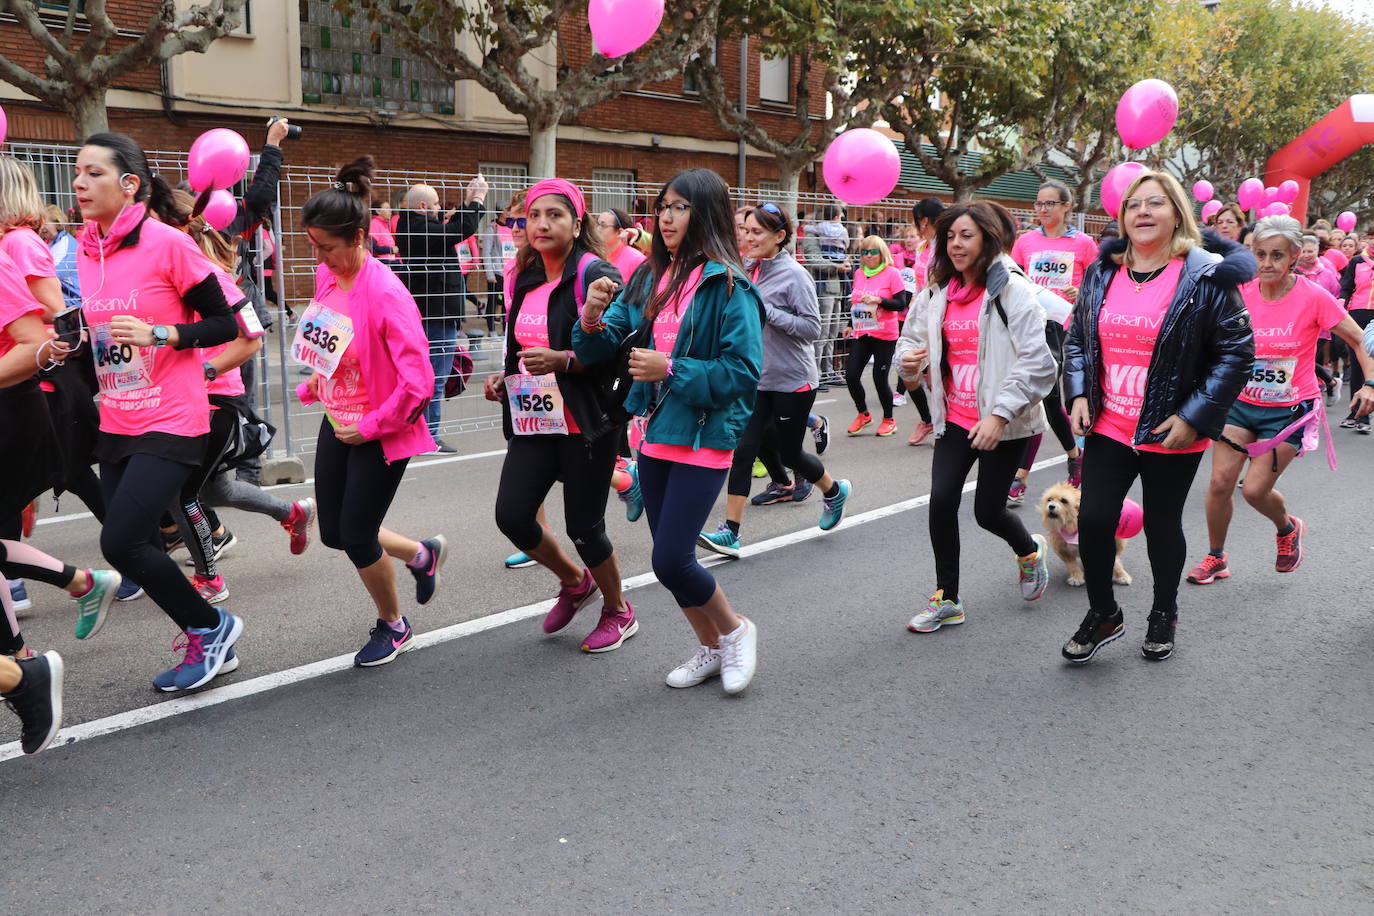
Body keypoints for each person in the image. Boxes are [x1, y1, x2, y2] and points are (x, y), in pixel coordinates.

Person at [574, 168, 764, 695]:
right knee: (669, 563)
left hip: (704, 437)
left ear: (704, 214)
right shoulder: (651, 278)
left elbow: (744, 373)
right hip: (652, 433)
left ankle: (735, 630)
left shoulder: (729, 285)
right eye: (663, 206)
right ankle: (710, 646)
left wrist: (673, 370)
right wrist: (590, 316)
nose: (666, 216)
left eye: (680, 207)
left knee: (671, 558)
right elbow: (603, 343)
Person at [74, 132, 246, 691]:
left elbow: (227, 325)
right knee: (139, 544)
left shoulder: (168, 243)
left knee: (118, 542)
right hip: (118, 416)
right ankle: (209, 636)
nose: (79, 183)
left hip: (173, 416)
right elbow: (102, 332)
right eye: (78, 172)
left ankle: (211, 626)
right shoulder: (85, 248)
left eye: (94, 173)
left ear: (130, 185)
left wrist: (161, 333)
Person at [1061, 170, 1255, 664]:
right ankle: (1104, 612)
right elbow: (1079, 338)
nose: (1142, 212)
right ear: (1122, 217)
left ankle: (1163, 611)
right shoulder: (1103, 271)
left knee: (1162, 524)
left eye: (1156, 203)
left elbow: (1235, 353)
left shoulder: (1205, 276)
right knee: (1096, 518)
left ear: (1177, 215)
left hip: (1171, 428)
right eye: (1133, 205)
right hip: (1108, 421)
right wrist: (1078, 393)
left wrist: (1194, 416)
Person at [294, 157, 447, 668]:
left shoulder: (386, 293)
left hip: (381, 428)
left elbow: (419, 383)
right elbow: (331, 335)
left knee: (357, 535)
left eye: (328, 247)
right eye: (313, 246)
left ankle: (394, 625)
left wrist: (371, 426)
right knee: (335, 532)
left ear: (359, 237)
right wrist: (318, 378)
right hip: (338, 420)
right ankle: (420, 555)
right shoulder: (326, 275)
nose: (319, 257)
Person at [482, 179, 636, 652]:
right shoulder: (525, 274)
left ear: (577, 223)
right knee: (512, 516)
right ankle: (574, 581)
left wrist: (565, 359)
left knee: (584, 528)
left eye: (555, 214)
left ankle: (619, 610)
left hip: (585, 421)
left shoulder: (598, 274)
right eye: (534, 216)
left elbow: (617, 348)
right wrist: (503, 377)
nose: (542, 224)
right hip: (535, 417)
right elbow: (522, 342)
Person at [896, 201, 1057, 634]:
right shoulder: (935, 294)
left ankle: (1028, 552)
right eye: (949, 236)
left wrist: (1000, 416)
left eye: (966, 235)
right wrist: (908, 363)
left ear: (988, 239)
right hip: (954, 417)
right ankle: (947, 598)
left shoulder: (1013, 292)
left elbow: (1039, 364)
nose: (955, 244)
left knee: (988, 512)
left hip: (1004, 425)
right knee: (941, 501)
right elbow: (908, 338)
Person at [1187, 216, 1374, 586]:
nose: (1267, 263)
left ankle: (1287, 527)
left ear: (1293, 257)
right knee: (1221, 483)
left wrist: (1368, 382)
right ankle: (1216, 556)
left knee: (1255, 490)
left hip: (1288, 411)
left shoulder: (1314, 297)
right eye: (1260, 254)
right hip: (1239, 404)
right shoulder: (1239, 292)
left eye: (1276, 255)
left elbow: (1357, 339)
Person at [698, 202, 851, 558]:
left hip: (793, 380)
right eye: (746, 231)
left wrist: (769, 311)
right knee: (743, 451)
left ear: (779, 237)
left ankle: (833, 490)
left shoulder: (794, 275)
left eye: (757, 232)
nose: (748, 238)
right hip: (757, 379)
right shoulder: (748, 268)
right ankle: (730, 533)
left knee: (790, 452)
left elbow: (811, 329)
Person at [1, 248, 121, 659]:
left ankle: (87, 581)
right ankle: (20, 660)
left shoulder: (14, 245)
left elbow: (41, 339)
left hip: (18, 406)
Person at [1006, 180, 1096, 497]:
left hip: (1066, 329)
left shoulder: (1084, 244)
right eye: (1038, 204)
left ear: (1066, 206)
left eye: (1049, 204)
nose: (1042, 210)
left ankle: (1023, 474)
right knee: (1038, 398)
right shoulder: (1025, 242)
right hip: (1031, 325)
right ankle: (1073, 456)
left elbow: (1098, 288)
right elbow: (1013, 282)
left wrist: (1080, 293)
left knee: (1045, 398)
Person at [394, 177, 487, 453]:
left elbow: (452, 228)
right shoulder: (419, 227)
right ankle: (428, 436)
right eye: (435, 204)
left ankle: (418, 432)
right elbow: (462, 229)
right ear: (422, 206)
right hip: (436, 313)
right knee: (434, 377)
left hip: (428, 310)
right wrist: (478, 201)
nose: (439, 209)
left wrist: (469, 203)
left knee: (424, 376)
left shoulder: (412, 225)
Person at [844, 235, 909, 437]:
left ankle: (889, 419)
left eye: (873, 251)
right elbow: (857, 303)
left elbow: (901, 304)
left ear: (882, 253)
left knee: (879, 378)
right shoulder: (859, 273)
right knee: (851, 375)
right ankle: (863, 414)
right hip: (863, 330)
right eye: (864, 251)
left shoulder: (892, 274)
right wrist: (849, 324)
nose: (868, 255)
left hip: (885, 334)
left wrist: (879, 299)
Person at [802, 205, 850, 389]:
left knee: (831, 333)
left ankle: (828, 371)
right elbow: (813, 259)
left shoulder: (836, 235)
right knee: (821, 334)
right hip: (822, 288)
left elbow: (841, 254)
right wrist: (836, 266)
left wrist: (845, 262)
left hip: (837, 287)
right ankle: (816, 374)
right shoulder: (812, 236)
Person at [1337, 225, 1374, 433]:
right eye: (1371, 237)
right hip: (1358, 314)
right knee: (1359, 363)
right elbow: (1346, 285)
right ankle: (1357, 414)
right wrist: (1341, 300)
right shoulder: (1357, 261)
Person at [598, 207, 647, 283]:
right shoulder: (594, 255)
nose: (598, 229)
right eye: (597, 224)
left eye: (603, 226)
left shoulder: (637, 260)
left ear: (620, 232)